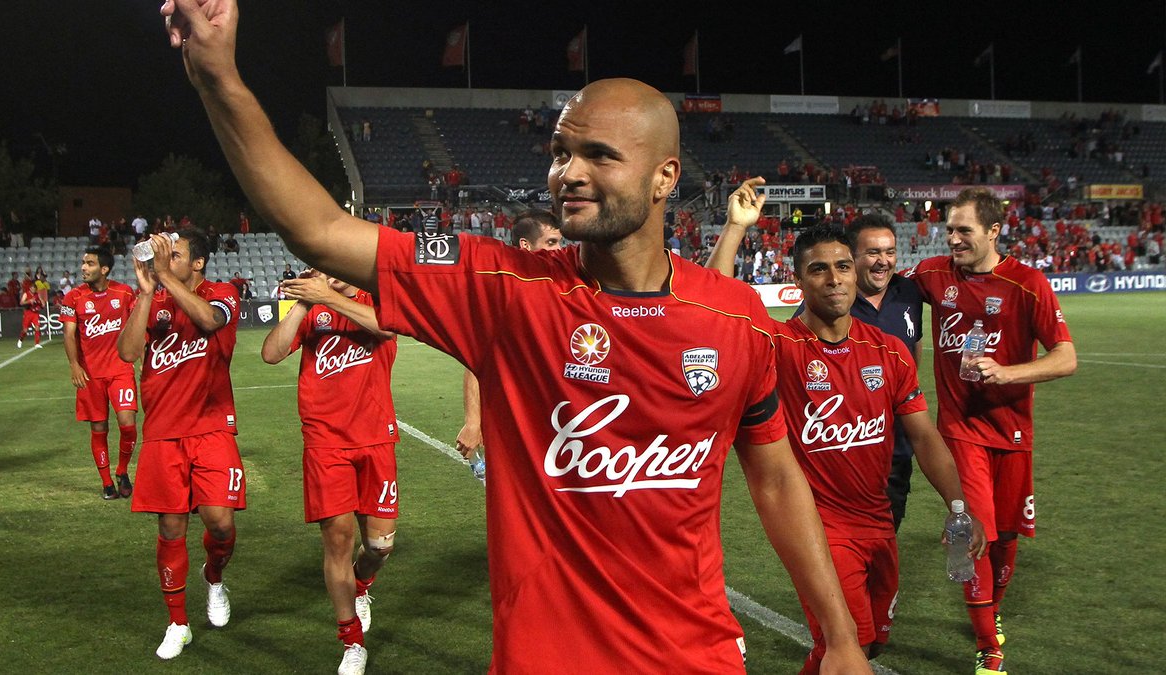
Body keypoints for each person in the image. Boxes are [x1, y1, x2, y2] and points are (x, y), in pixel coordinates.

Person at [162, 4, 869, 672]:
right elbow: (316, 228)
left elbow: (775, 476)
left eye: (598, 154)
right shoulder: (505, 288)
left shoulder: (736, 315)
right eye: (560, 152)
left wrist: (838, 635)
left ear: (665, 178)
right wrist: (221, 80)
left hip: (698, 654)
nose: (569, 173)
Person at [717, 221, 984, 672]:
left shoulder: (889, 352)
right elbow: (719, 301)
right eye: (819, 269)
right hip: (819, 530)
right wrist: (735, 227)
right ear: (797, 279)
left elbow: (922, 435)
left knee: (869, 644)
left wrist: (959, 506)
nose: (835, 278)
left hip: (878, 524)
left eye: (842, 266)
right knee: (849, 643)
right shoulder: (778, 345)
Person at [903, 187, 1076, 674]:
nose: (953, 239)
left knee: (1004, 537)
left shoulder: (1027, 283)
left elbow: (1066, 358)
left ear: (994, 231)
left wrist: (1008, 372)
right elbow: (884, 293)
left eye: (964, 230)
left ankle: (989, 611)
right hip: (959, 430)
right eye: (949, 230)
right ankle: (987, 647)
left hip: (1014, 432)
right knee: (967, 530)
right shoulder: (934, 275)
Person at [261, 270, 399, 675]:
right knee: (337, 542)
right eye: (317, 267)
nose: (323, 273)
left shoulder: (375, 299)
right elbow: (271, 353)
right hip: (325, 444)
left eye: (330, 266)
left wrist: (329, 295)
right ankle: (351, 640)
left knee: (380, 548)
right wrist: (305, 302)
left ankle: (361, 586)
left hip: (375, 439)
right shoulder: (311, 311)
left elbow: (388, 328)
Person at [117, 230, 244, 660]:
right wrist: (146, 294)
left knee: (220, 523)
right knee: (171, 529)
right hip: (163, 432)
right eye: (162, 254)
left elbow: (210, 320)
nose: (166, 259)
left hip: (211, 428)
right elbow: (128, 352)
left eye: (176, 254)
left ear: (199, 262)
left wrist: (165, 278)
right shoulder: (155, 298)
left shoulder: (222, 293)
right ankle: (178, 623)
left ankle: (214, 578)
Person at [455, 209, 562, 460]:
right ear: (525, 245)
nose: (559, 249)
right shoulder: (503, 294)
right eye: (551, 243)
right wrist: (473, 422)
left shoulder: (563, 287)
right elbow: (476, 360)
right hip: (514, 420)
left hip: (560, 418)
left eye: (560, 242)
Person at [61, 247, 140, 500]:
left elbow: (137, 326)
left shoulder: (124, 293)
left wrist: (143, 356)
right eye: (83, 263)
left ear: (104, 269)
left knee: (128, 426)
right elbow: (69, 333)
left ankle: (122, 470)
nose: (83, 267)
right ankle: (107, 483)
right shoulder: (73, 297)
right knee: (99, 428)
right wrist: (74, 365)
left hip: (120, 370)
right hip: (91, 375)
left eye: (90, 263)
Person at [16, 284, 44, 349]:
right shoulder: (26, 294)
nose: (33, 290)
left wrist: (42, 303)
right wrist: (29, 301)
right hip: (28, 312)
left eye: (34, 288)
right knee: (25, 330)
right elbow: (21, 303)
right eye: (32, 288)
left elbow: (42, 302)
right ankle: (20, 340)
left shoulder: (37, 294)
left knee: (37, 327)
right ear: (30, 288)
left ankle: (37, 343)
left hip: (35, 313)